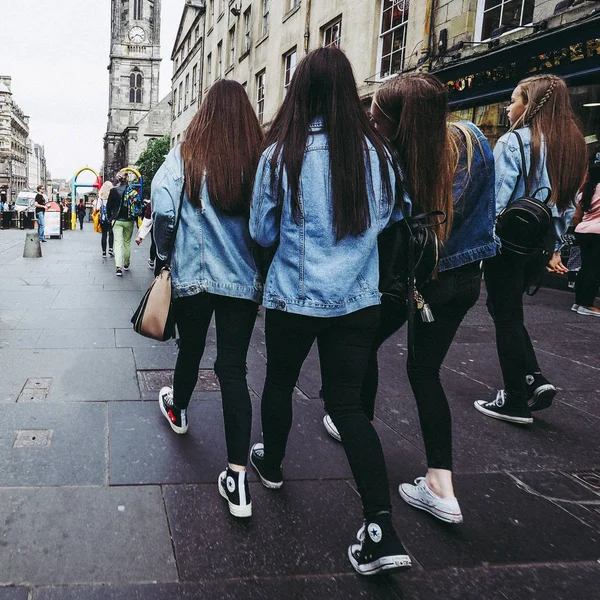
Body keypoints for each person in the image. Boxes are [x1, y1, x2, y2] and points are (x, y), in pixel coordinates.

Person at [249, 47, 411, 576]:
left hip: (293, 297)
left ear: (301, 91)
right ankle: (381, 526)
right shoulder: (379, 154)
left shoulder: (281, 156)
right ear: (347, 91)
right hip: (358, 300)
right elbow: (390, 218)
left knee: (279, 381)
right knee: (347, 405)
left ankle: (270, 464)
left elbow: (262, 231)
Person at [321, 73, 497, 525]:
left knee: (364, 341)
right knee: (425, 371)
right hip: (463, 279)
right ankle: (441, 485)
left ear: (396, 123)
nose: (370, 121)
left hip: (416, 280)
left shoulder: (394, 161)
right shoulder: (474, 140)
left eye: (375, 115)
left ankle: (356, 420)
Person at [153, 79, 263, 519]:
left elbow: (163, 208)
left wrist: (164, 255)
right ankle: (237, 477)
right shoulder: (259, 159)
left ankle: (178, 410)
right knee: (234, 368)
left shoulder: (185, 153)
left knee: (191, 349)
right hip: (242, 281)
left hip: (194, 278)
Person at [474, 74, 587, 423]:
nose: (508, 108)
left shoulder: (513, 142)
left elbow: (495, 200)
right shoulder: (573, 146)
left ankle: (514, 399)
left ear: (531, 105)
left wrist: (481, 245)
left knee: (504, 315)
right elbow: (567, 208)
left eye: (513, 100)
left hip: (507, 244)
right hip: (537, 247)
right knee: (507, 310)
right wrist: (553, 249)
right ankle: (533, 378)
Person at [572, 163, 600, 317]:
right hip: (598, 233)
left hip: (583, 231)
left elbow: (577, 216)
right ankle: (587, 304)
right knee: (595, 269)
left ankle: (578, 302)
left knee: (585, 267)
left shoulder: (585, 191)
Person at [107, 171, 136, 276]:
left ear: (118, 179)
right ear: (127, 179)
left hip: (117, 220)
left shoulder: (113, 191)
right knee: (127, 242)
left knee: (118, 243)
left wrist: (110, 218)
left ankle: (118, 267)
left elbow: (108, 206)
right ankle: (126, 263)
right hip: (129, 220)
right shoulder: (131, 191)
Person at [94, 181, 114, 257]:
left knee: (104, 234)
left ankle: (103, 252)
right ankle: (111, 249)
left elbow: (98, 208)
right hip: (111, 217)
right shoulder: (113, 196)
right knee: (111, 233)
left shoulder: (100, 198)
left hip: (103, 218)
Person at [135, 201, 156, 269]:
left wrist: (140, 236)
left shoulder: (153, 202)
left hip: (156, 226)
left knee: (154, 243)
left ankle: (152, 260)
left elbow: (147, 220)